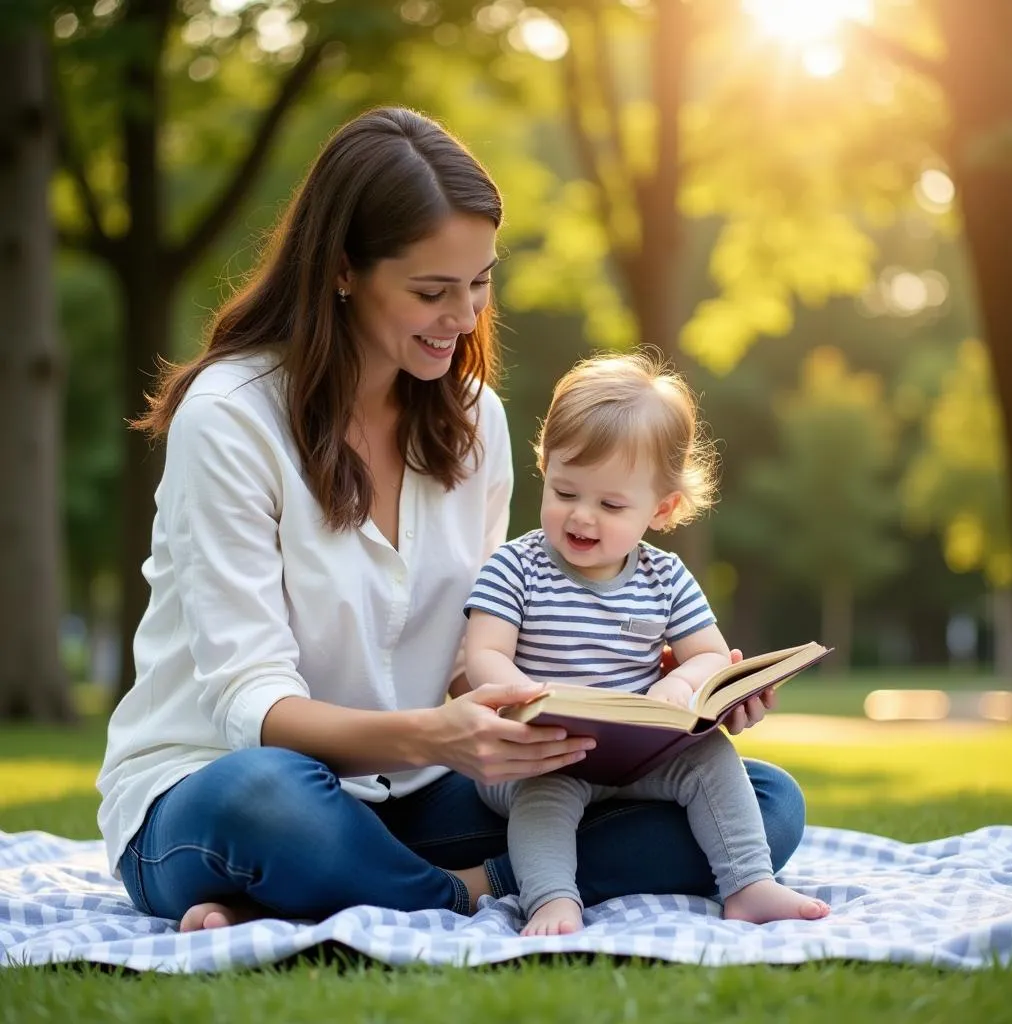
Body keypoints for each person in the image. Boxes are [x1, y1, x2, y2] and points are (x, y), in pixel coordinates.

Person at [96, 106, 805, 933]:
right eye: (432, 291)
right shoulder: (230, 419)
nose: (465, 318)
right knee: (269, 797)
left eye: (479, 283)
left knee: (762, 801)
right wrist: (436, 738)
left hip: (421, 793)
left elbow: (475, 654)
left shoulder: (475, 423)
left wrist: (656, 706)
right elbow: (252, 709)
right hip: (218, 785)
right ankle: (463, 893)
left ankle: (335, 888)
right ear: (342, 271)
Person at [465, 352, 830, 936]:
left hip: (633, 752)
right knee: (546, 796)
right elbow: (482, 652)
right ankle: (551, 899)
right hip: (538, 749)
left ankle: (749, 884)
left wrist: (681, 685)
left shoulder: (665, 577)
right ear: (544, 466)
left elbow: (710, 654)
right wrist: (525, 695)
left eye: (610, 505)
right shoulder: (516, 566)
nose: (581, 517)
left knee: (712, 758)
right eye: (564, 491)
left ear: (662, 509)